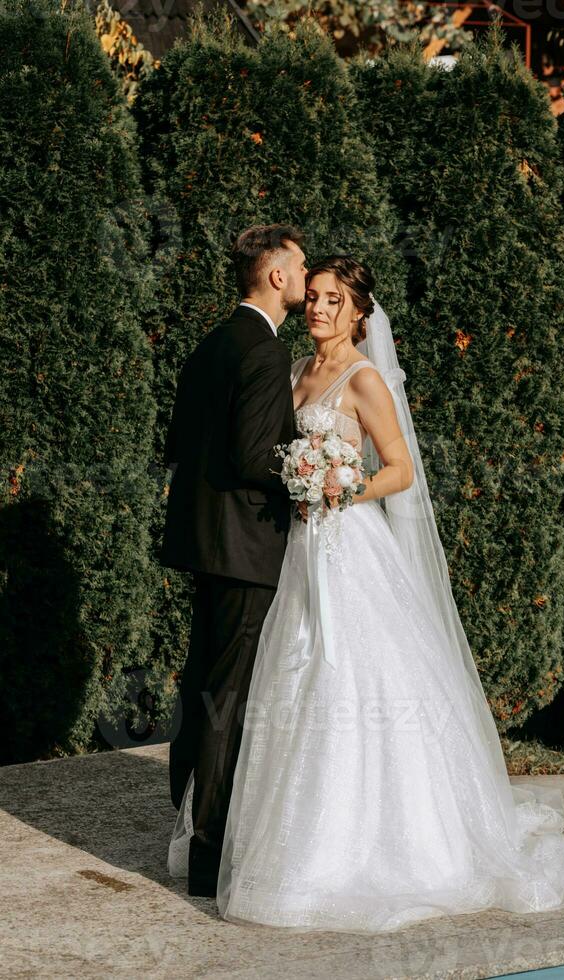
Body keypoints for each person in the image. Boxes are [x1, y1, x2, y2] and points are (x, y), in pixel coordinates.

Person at [168, 255, 564, 931]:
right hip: (296, 551)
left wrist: (343, 487)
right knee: (285, 681)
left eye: (334, 301)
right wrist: (300, 480)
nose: (319, 309)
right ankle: (265, 844)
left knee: (355, 680)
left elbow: (398, 469)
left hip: (349, 545)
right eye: (316, 298)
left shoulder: (364, 380)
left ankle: (380, 846)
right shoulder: (296, 371)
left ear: (359, 312)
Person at [159, 223, 307, 896]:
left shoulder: (214, 342)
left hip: (202, 540)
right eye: (300, 266)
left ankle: (183, 825)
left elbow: (181, 441)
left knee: (201, 683)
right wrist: (309, 471)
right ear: (275, 276)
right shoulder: (267, 352)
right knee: (228, 698)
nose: (306, 278)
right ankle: (209, 859)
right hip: (246, 546)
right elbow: (255, 457)